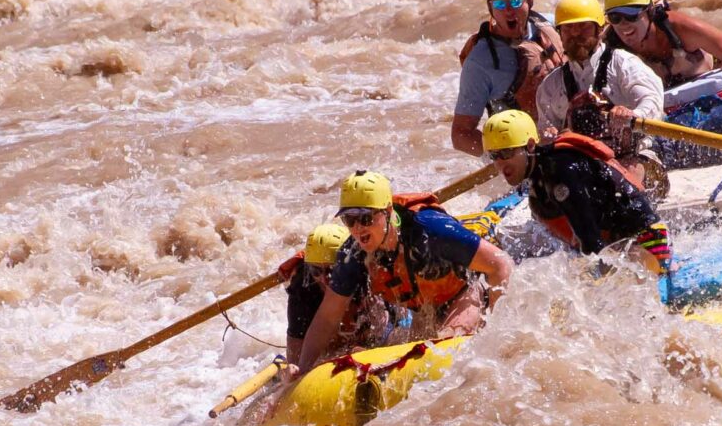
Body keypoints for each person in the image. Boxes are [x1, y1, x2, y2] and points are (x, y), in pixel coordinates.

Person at [291, 171, 514, 376]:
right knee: (408, 367)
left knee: (439, 358)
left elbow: (500, 264)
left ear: (387, 212)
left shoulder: (430, 228)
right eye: (349, 220)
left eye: (366, 218)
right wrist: (302, 370)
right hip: (423, 311)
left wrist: (497, 328)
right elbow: (328, 316)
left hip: (465, 298)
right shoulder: (353, 253)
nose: (358, 229)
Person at [482, 109, 673, 276]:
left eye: (506, 153)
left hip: (647, 241)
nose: (500, 163)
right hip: (616, 244)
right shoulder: (538, 178)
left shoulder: (563, 169)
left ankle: (664, 270)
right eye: (494, 155)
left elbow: (590, 241)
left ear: (531, 145)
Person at [534, 0, 669, 195]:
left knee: (626, 175)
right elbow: (546, 130)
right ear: (559, 34)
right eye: (568, 29)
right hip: (583, 165)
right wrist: (548, 136)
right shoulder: (550, 86)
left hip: (637, 156)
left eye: (583, 27)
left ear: (599, 29)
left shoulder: (624, 64)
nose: (575, 35)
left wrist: (634, 115)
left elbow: (653, 102)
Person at [451, 0, 565, 157]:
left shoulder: (555, 25)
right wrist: (502, 156)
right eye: (499, 4)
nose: (508, 11)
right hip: (521, 154)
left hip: (565, 137)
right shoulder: (480, 62)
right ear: (490, 8)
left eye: (515, 2)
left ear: (530, 0)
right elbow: (461, 135)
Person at [278, 222, 349, 363]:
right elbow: (295, 348)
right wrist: (293, 372)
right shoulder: (302, 286)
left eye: (331, 270)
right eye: (317, 271)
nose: (324, 279)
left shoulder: (361, 273)